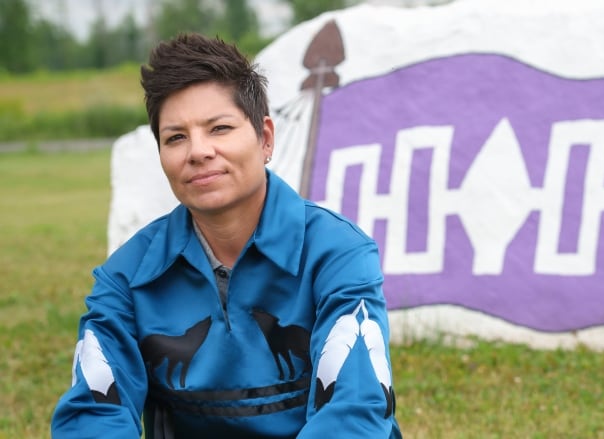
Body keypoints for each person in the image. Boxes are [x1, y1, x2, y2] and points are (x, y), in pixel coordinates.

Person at [51, 33, 402, 439]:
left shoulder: (338, 254)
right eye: (176, 137)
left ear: (265, 138)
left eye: (219, 128)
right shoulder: (126, 277)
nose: (198, 151)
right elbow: (95, 413)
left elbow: (354, 411)